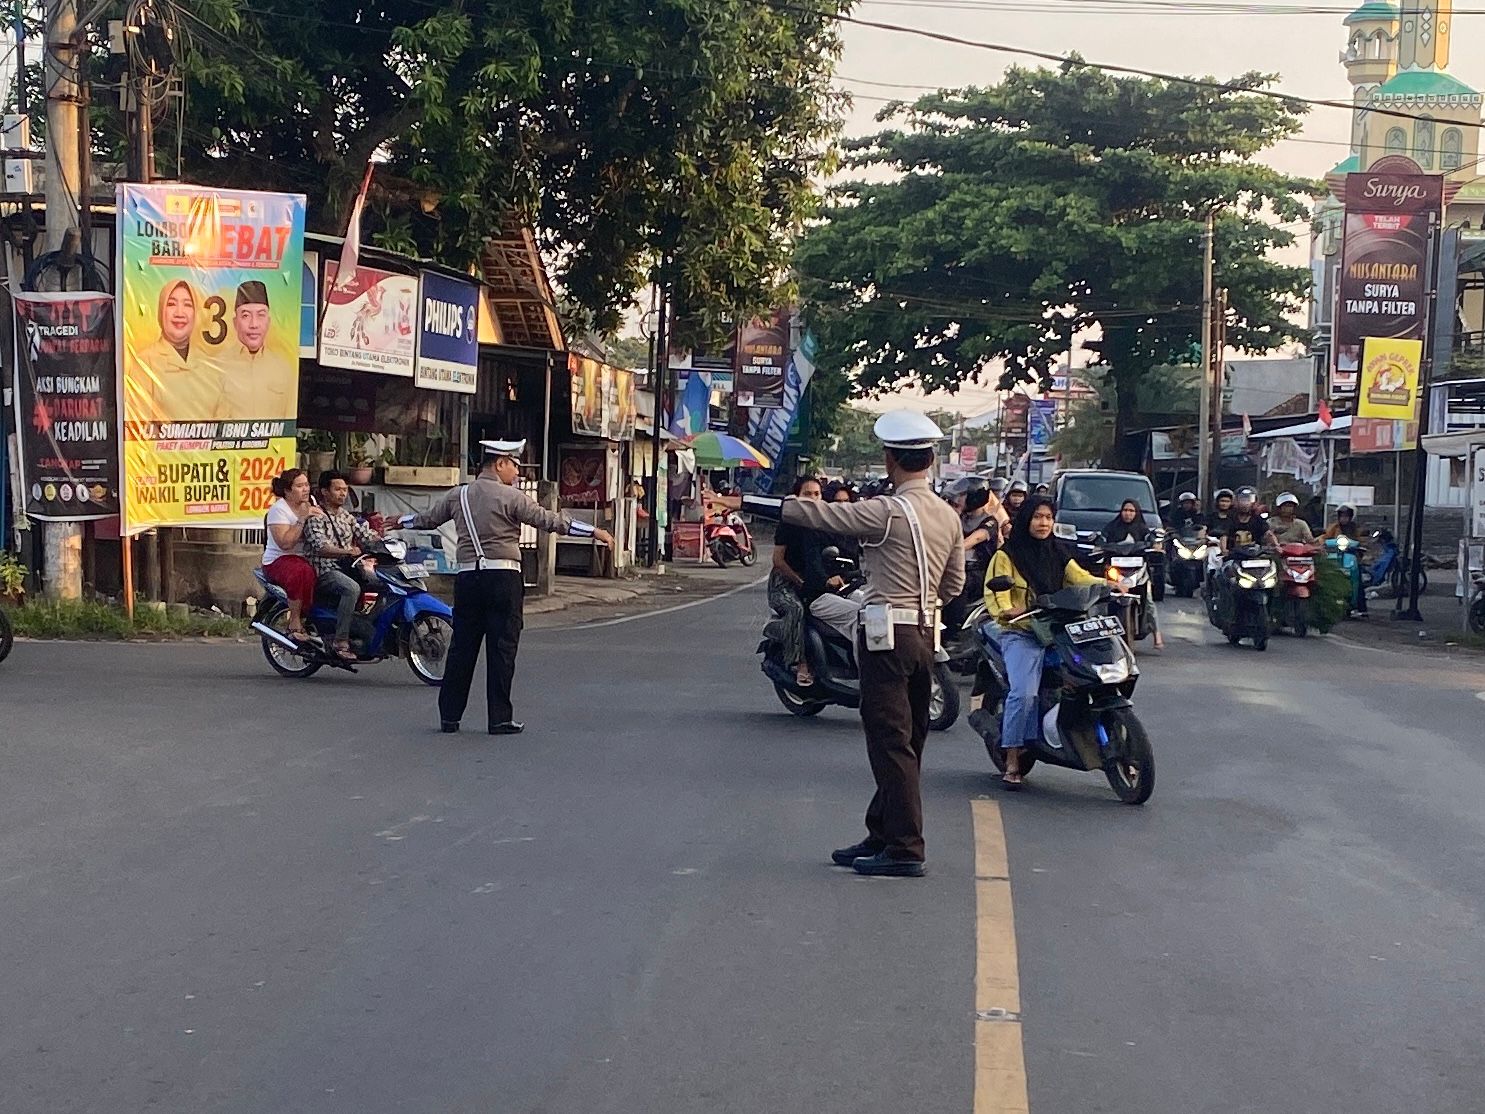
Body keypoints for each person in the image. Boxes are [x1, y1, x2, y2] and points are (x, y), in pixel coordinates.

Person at [781, 410, 964, 878]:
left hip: (887, 637)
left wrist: (754, 501)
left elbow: (828, 514)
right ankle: (882, 830)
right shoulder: (947, 514)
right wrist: (921, 603)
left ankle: (905, 847)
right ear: (928, 458)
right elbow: (954, 584)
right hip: (926, 633)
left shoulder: (888, 510)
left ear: (892, 459)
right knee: (909, 740)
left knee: (889, 740)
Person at [399, 439, 615, 735]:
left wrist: (399, 521)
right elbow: (550, 521)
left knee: (462, 649)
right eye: (514, 465)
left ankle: (449, 717)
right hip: (503, 579)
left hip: (467, 580)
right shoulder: (511, 497)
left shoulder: (457, 495)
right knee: (502, 650)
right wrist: (594, 531)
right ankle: (499, 718)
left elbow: (426, 520)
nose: (517, 472)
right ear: (499, 463)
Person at [985, 495, 1102, 786]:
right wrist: (1007, 610)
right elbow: (996, 594)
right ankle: (1012, 755)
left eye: (1049, 517)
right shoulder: (1007, 555)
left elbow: (1080, 577)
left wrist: (1111, 585)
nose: (1044, 523)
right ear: (1026, 519)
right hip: (1022, 631)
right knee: (1023, 694)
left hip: (1059, 630)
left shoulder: (1058, 552)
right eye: (1038, 517)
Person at [303, 470, 384, 661]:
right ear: (324, 491)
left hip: (346, 567)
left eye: (345, 490)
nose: (343, 493)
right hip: (324, 571)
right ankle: (341, 641)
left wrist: (385, 540)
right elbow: (321, 547)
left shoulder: (345, 516)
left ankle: (365, 631)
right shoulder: (315, 517)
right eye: (337, 489)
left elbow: (365, 535)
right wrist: (347, 552)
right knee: (351, 589)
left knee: (379, 583)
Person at [769, 476, 831, 685]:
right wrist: (799, 581)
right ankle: (799, 662)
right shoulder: (789, 523)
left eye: (816, 494)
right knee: (797, 610)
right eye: (807, 494)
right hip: (785, 584)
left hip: (816, 581)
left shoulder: (824, 522)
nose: (813, 499)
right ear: (797, 497)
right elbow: (777, 560)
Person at [133, 279, 222, 422]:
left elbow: (224, 422)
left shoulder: (209, 365)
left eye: (187, 305)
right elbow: (139, 425)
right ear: (161, 311)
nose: (179, 313)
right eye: (171, 304)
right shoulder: (144, 363)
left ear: (195, 313)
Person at [261, 468, 322, 642]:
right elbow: (285, 543)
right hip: (279, 560)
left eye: (307, 485)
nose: (305, 489)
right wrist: (302, 519)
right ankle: (294, 620)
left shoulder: (311, 502)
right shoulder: (278, 510)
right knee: (302, 572)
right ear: (288, 491)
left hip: (306, 557)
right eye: (300, 486)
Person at [221, 280, 294, 420]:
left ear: (268, 321)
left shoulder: (283, 368)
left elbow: (288, 423)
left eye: (261, 315)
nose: (254, 324)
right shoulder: (217, 366)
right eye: (245, 316)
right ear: (235, 323)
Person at [1100, 499, 1165, 649]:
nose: (1128, 514)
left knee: (1148, 601)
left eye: (1131, 511)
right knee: (1103, 598)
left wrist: (1155, 545)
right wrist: (1099, 545)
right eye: (1125, 510)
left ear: (1136, 513)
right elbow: (1102, 539)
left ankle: (1157, 635)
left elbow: (1152, 540)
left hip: (1138, 571)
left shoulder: (1142, 529)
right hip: (1116, 571)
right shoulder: (1112, 527)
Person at [1219, 486, 1276, 553]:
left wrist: (1276, 545)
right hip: (1233, 555)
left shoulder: (1258, 519)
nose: (1245, 503)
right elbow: (1224, 536)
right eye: (1242, 499)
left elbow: (1268, 534)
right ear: (1236, 501)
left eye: (1248, 499)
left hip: (1255, 555)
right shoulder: (1230, 518)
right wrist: (1224, 550)